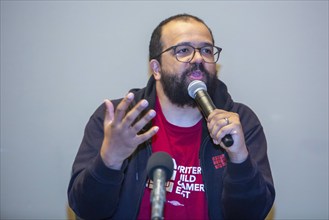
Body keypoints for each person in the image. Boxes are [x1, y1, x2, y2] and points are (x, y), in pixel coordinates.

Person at [68, 14, 275, 220]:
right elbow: (87, 210)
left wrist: (240, 158)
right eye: (183, 51)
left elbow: (252, 214)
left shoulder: (240, 123)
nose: (198, 58)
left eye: (206, 50)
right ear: (156, 69)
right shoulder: (118, 122)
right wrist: (109, 161)